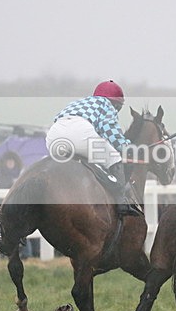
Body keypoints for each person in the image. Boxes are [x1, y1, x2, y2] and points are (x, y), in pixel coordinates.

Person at [45, 80, 136, 215]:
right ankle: (121, 203)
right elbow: (109, 129)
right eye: (118, 108)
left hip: (54, 135)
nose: (116, 111)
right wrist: (125, 147)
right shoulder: (106, 104)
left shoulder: (78, 102)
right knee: (114, 159)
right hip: (79, 132)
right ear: (115, 103)